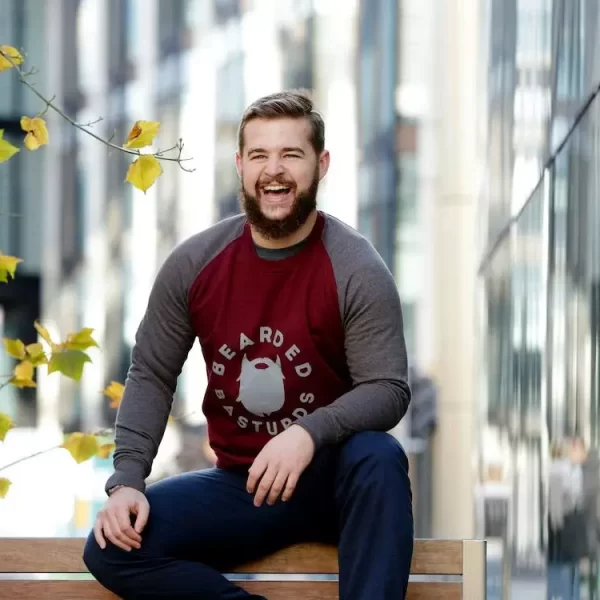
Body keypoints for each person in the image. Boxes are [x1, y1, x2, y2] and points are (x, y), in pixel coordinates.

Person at [83, 89, 414, 600]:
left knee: (378, 455)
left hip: (338, 484)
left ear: (321, 164)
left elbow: (388, 389)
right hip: (245, 487)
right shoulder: (196, 264)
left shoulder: (356, 268)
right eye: (259, 155)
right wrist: (127, 480)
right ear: (240, 165)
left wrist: (308, 433)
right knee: (112, 546)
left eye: (291, 154)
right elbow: (150, 372)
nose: (273, 170)